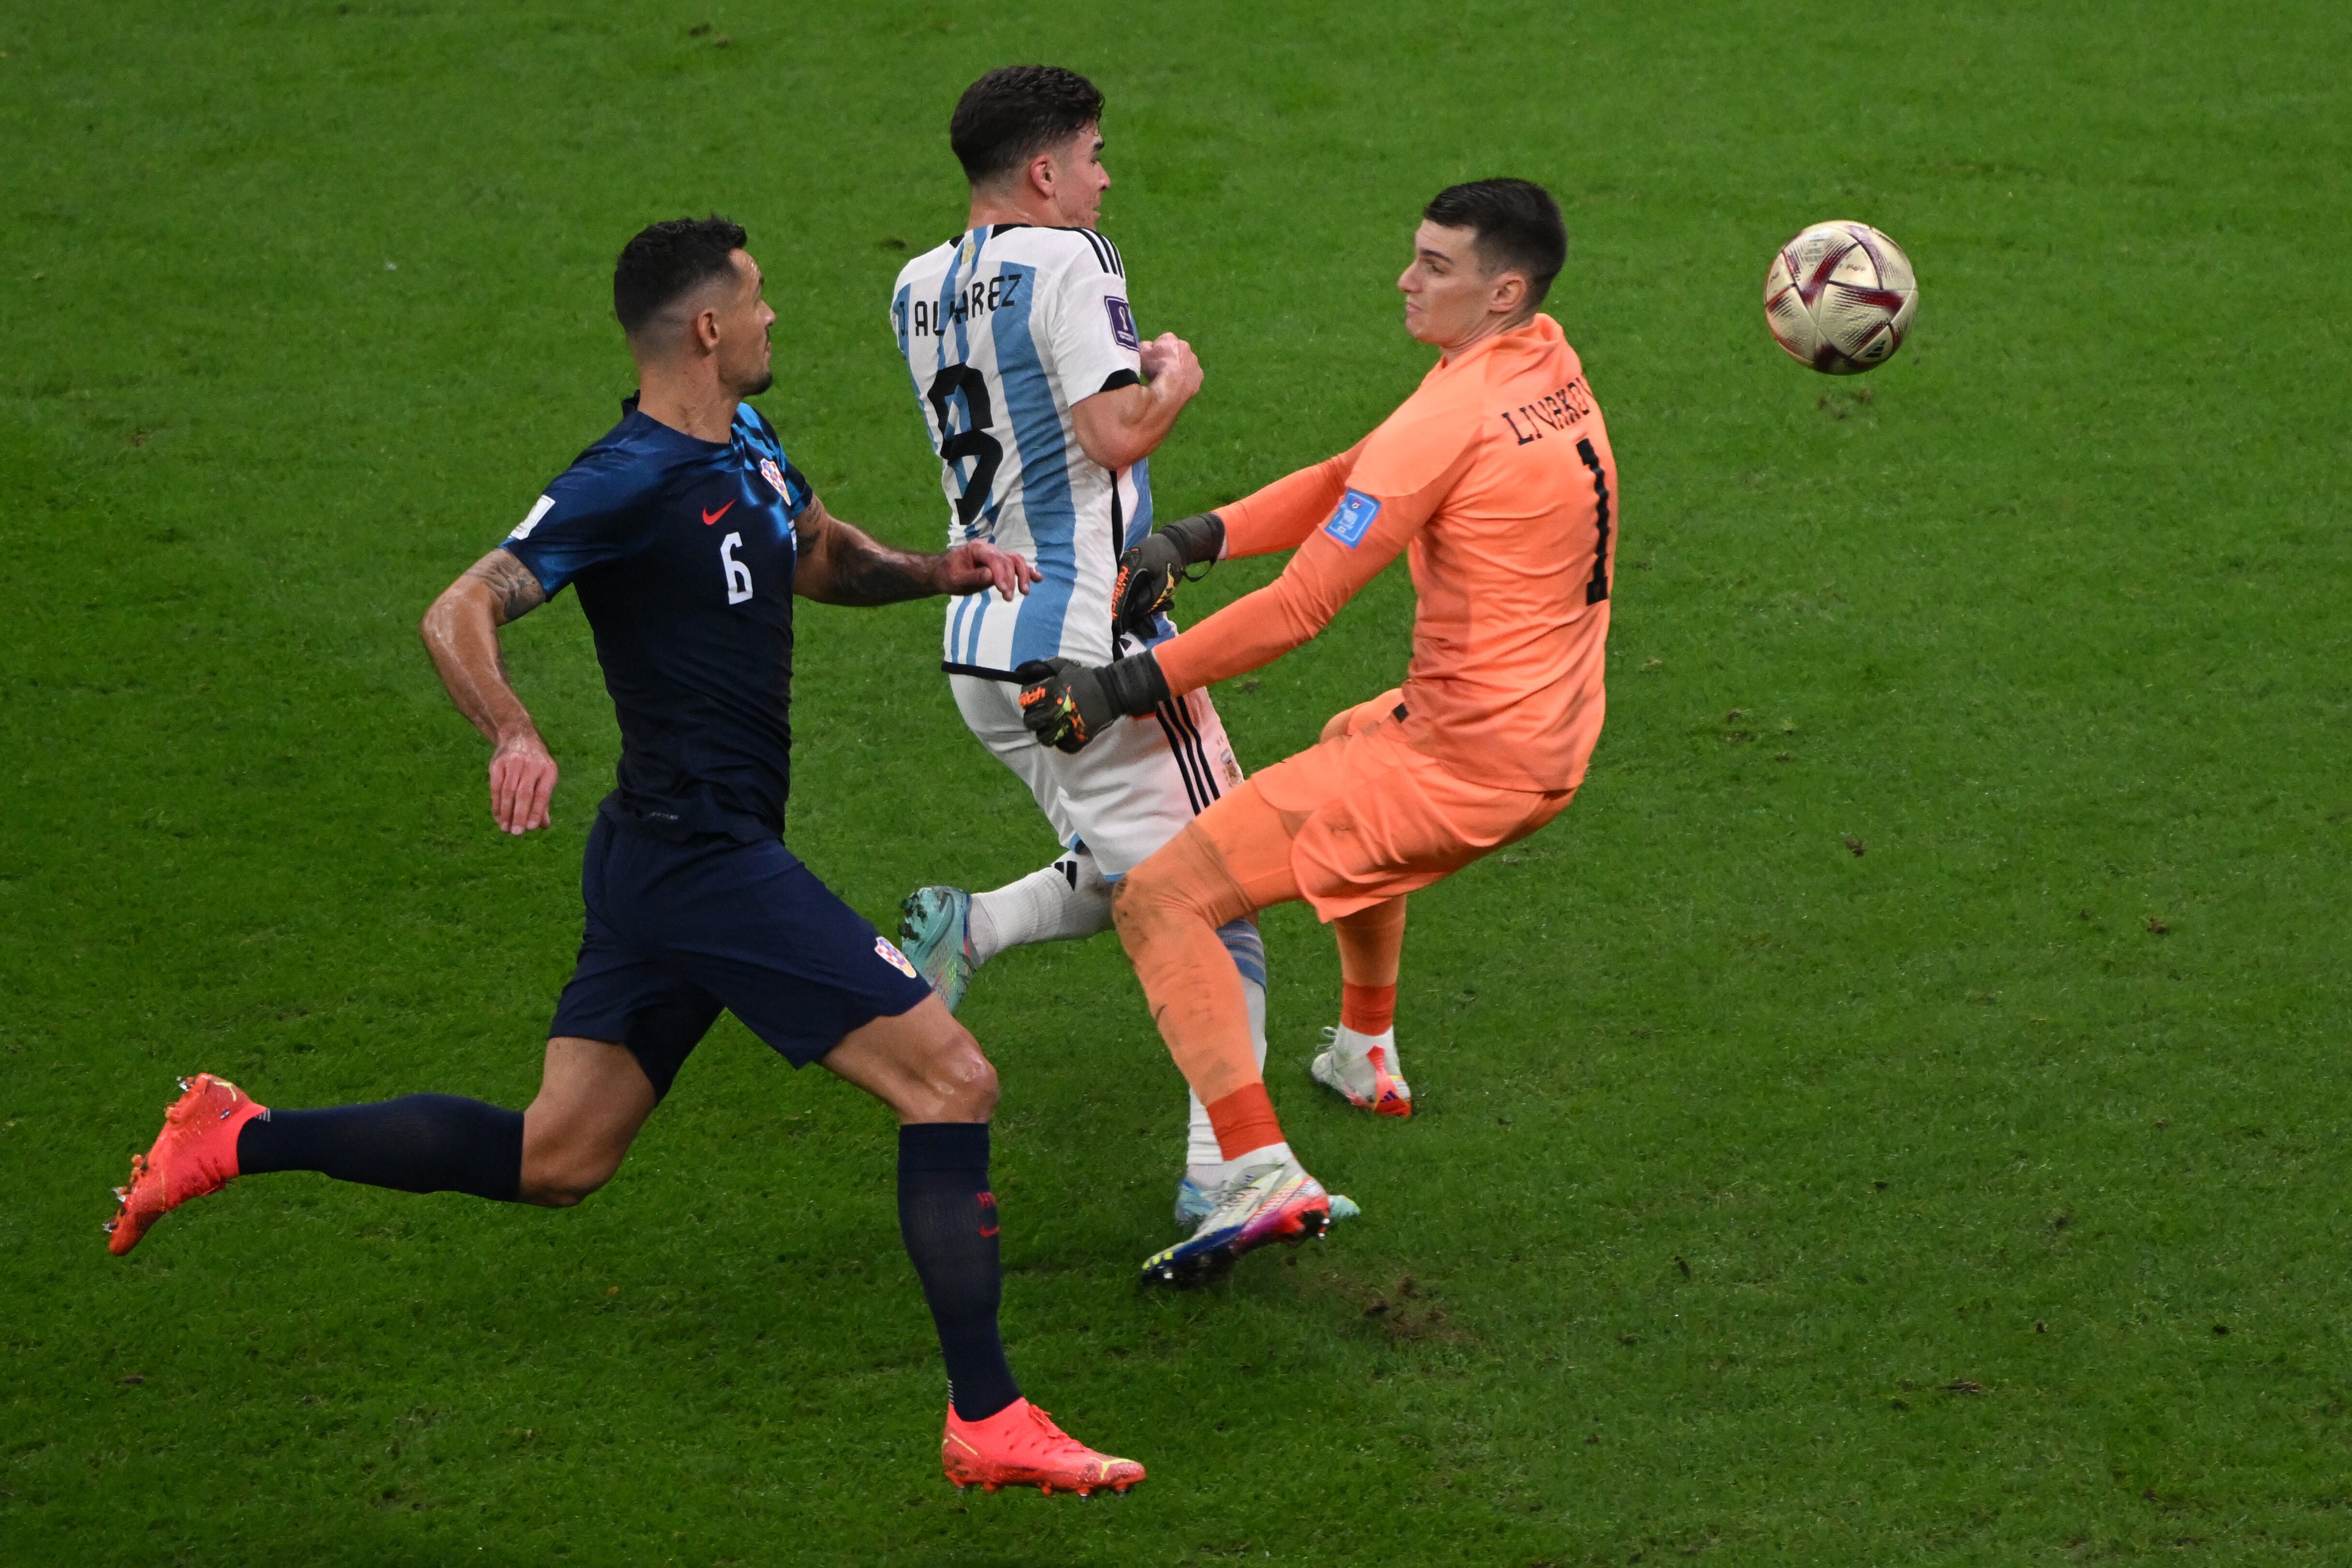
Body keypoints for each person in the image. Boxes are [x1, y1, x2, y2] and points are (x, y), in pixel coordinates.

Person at [104, 216, 1143, 1494]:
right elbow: (461, 606)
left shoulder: (745, 440)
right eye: (757, 302)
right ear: (707, 328)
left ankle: (239, 1133)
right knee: (952, 1079)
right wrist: (513, 731)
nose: (772, 321)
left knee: (560, 1158)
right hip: (704, 864)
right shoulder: (626, 474)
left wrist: (941, 570)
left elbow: (815, 549)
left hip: (659, 858)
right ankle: (988, 1417)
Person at [1018, 179, 1619, 1285]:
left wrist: (1115, 687)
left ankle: (1254, 1170)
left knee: (1163, 898)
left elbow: (1300, 610)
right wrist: (1200, 537)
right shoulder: (1540, 360)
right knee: (1354, 734)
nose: (1405, 277)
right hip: (1543, 737)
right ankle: (1364, 1048)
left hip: (1462, 765)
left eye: (1433, 266)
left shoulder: (1453, 414)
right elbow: (1365, 471)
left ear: (1503, 290)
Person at [886, 65, 1285, 1225]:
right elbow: (1111, 436)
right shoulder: (1072, 258)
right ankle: (1230, 1169)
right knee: (1219, 887)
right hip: (1081, 651)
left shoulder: (914, 284)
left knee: (1132, 862)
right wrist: (1174, 383)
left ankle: (979, 923)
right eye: (1094, 156)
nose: (1106, 179)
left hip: (978, 643)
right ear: (1042, 172)